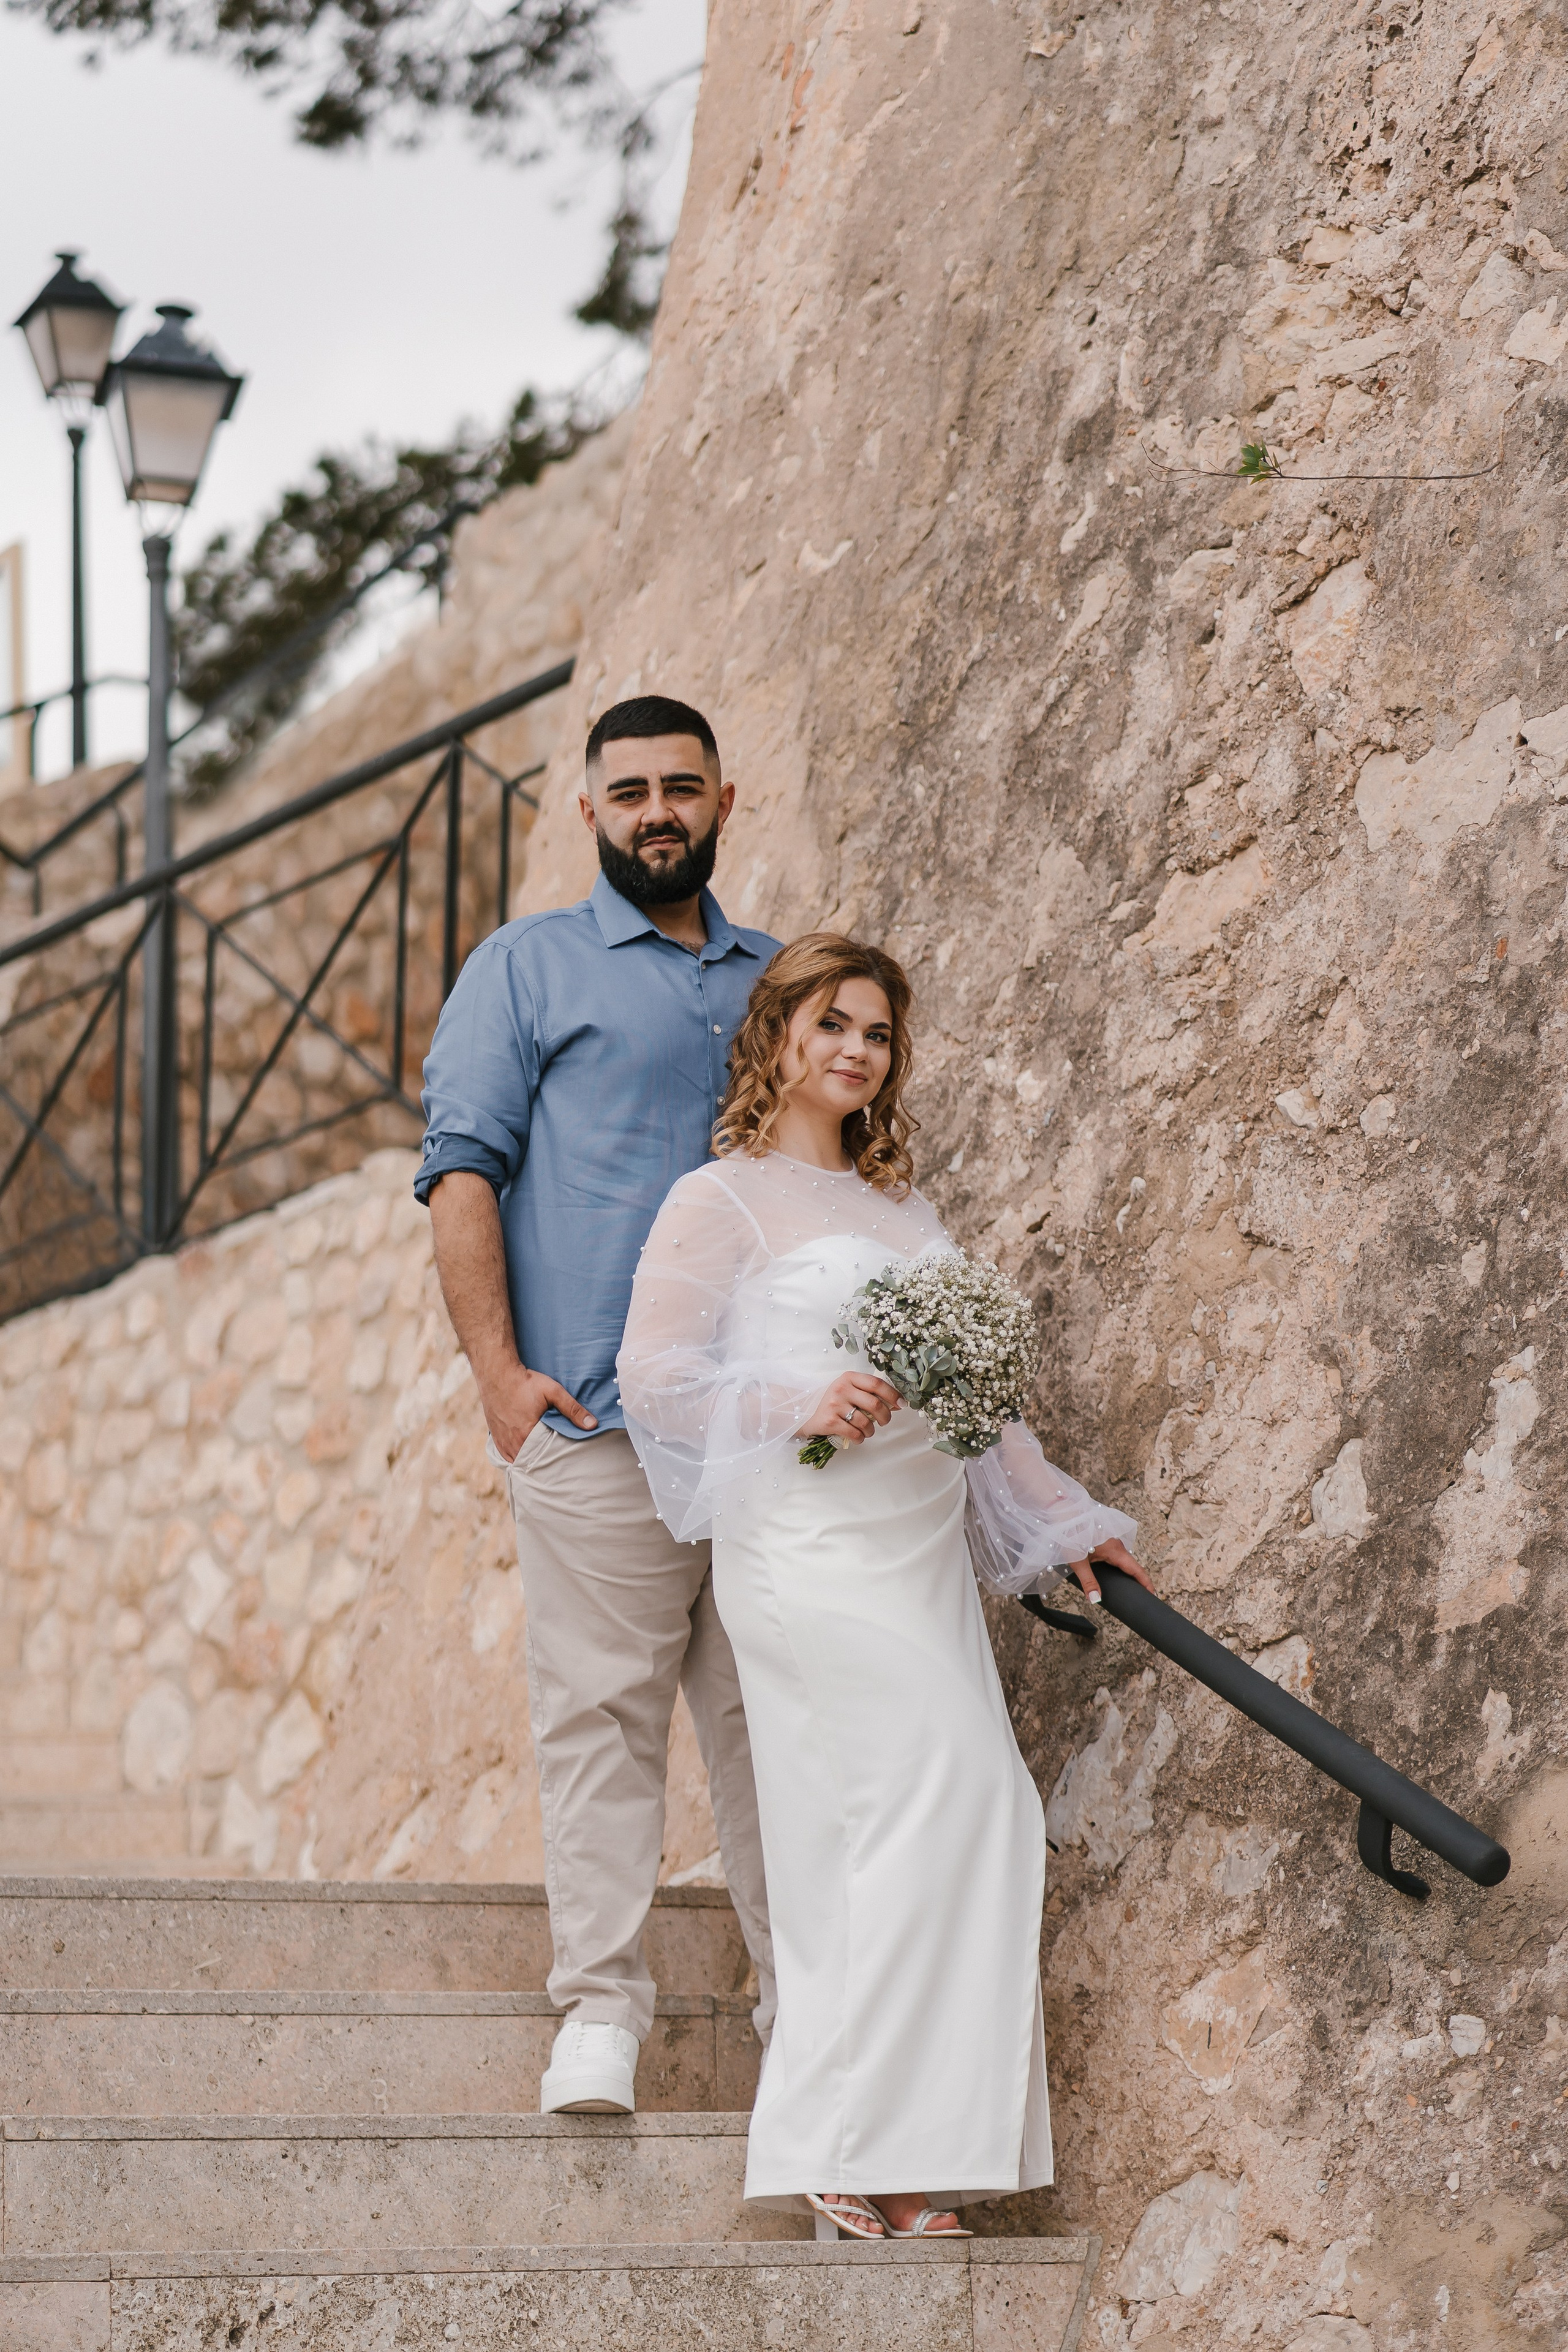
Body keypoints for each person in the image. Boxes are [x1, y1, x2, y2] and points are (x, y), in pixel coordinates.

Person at [616, 933, 1153, 2237]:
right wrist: (798, 1393)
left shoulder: (906, 1215)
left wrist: (1064, 1524)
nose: (857, 1050)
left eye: (878, 1034)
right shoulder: (719, 1200)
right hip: (803, 1542)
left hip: (912, 1551)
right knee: (901, 1814)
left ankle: (886, 2150)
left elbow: (983, 1413)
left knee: (976, 1818)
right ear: (778, 1037)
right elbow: (655, 1380)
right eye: (833, 1024)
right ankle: (852, 2152)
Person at [416, 694, 779, 2116]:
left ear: (721, 801)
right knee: (601, 1721)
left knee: (772, 1735)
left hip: (763, 1440)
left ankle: (802, 2019)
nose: (654, 813)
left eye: (678, 788)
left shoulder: (780, 980)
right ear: (587, 811)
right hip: (594, 1427)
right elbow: (461, 1178)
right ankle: (600, 2018)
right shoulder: (522, 969)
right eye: (625, 792)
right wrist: (500, 1383)